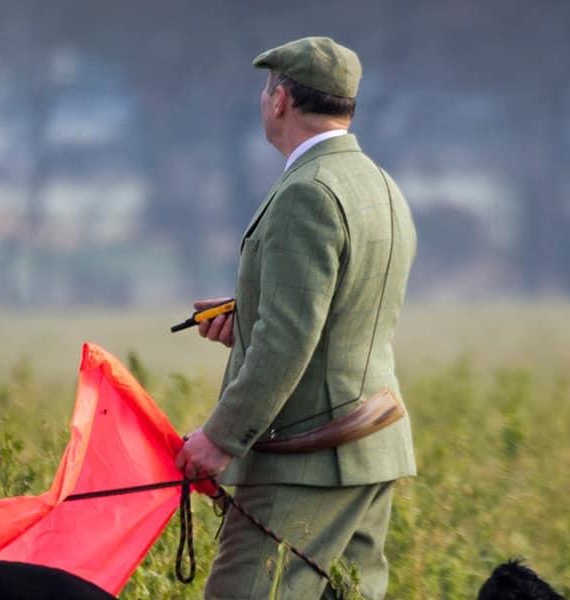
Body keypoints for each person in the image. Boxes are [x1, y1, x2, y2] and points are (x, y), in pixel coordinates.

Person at [173, 36, 417, 600]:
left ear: (280, 99)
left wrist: (220, 438)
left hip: (305, 459)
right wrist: (247, 320)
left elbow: (288, 338)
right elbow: (342, 314)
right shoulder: (379, 184)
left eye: (266, 91)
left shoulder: (306, 192)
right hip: (369, 447)